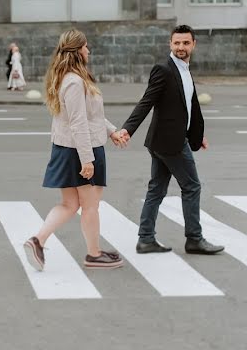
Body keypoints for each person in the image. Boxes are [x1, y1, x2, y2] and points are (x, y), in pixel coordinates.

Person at [23, 28, 127, 271]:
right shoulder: (74, 81)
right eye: (86, 46)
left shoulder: (70, 78)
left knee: (70, 204)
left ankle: (38, 241)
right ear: (78, 50)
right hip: (82, 149)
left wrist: (111, 131)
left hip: (72, 149)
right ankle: (93, 254)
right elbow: (79, 123)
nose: (89, 50)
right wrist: (87, 160)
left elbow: (92, 116)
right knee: (90, 205)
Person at [115, 24, 224, 256]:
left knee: (156, 190)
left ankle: (145, 239)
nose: (181, 47)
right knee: (192, 187)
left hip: (163, 141)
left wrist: (196, 135)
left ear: (193, 44)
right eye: (177, 43)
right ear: (170, 44)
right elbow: (147, 101)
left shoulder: (184, 69)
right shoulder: (163, 69)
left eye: (185, 43)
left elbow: (188, 106)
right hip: (170, 143)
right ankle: (194, 239)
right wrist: (128, 129)